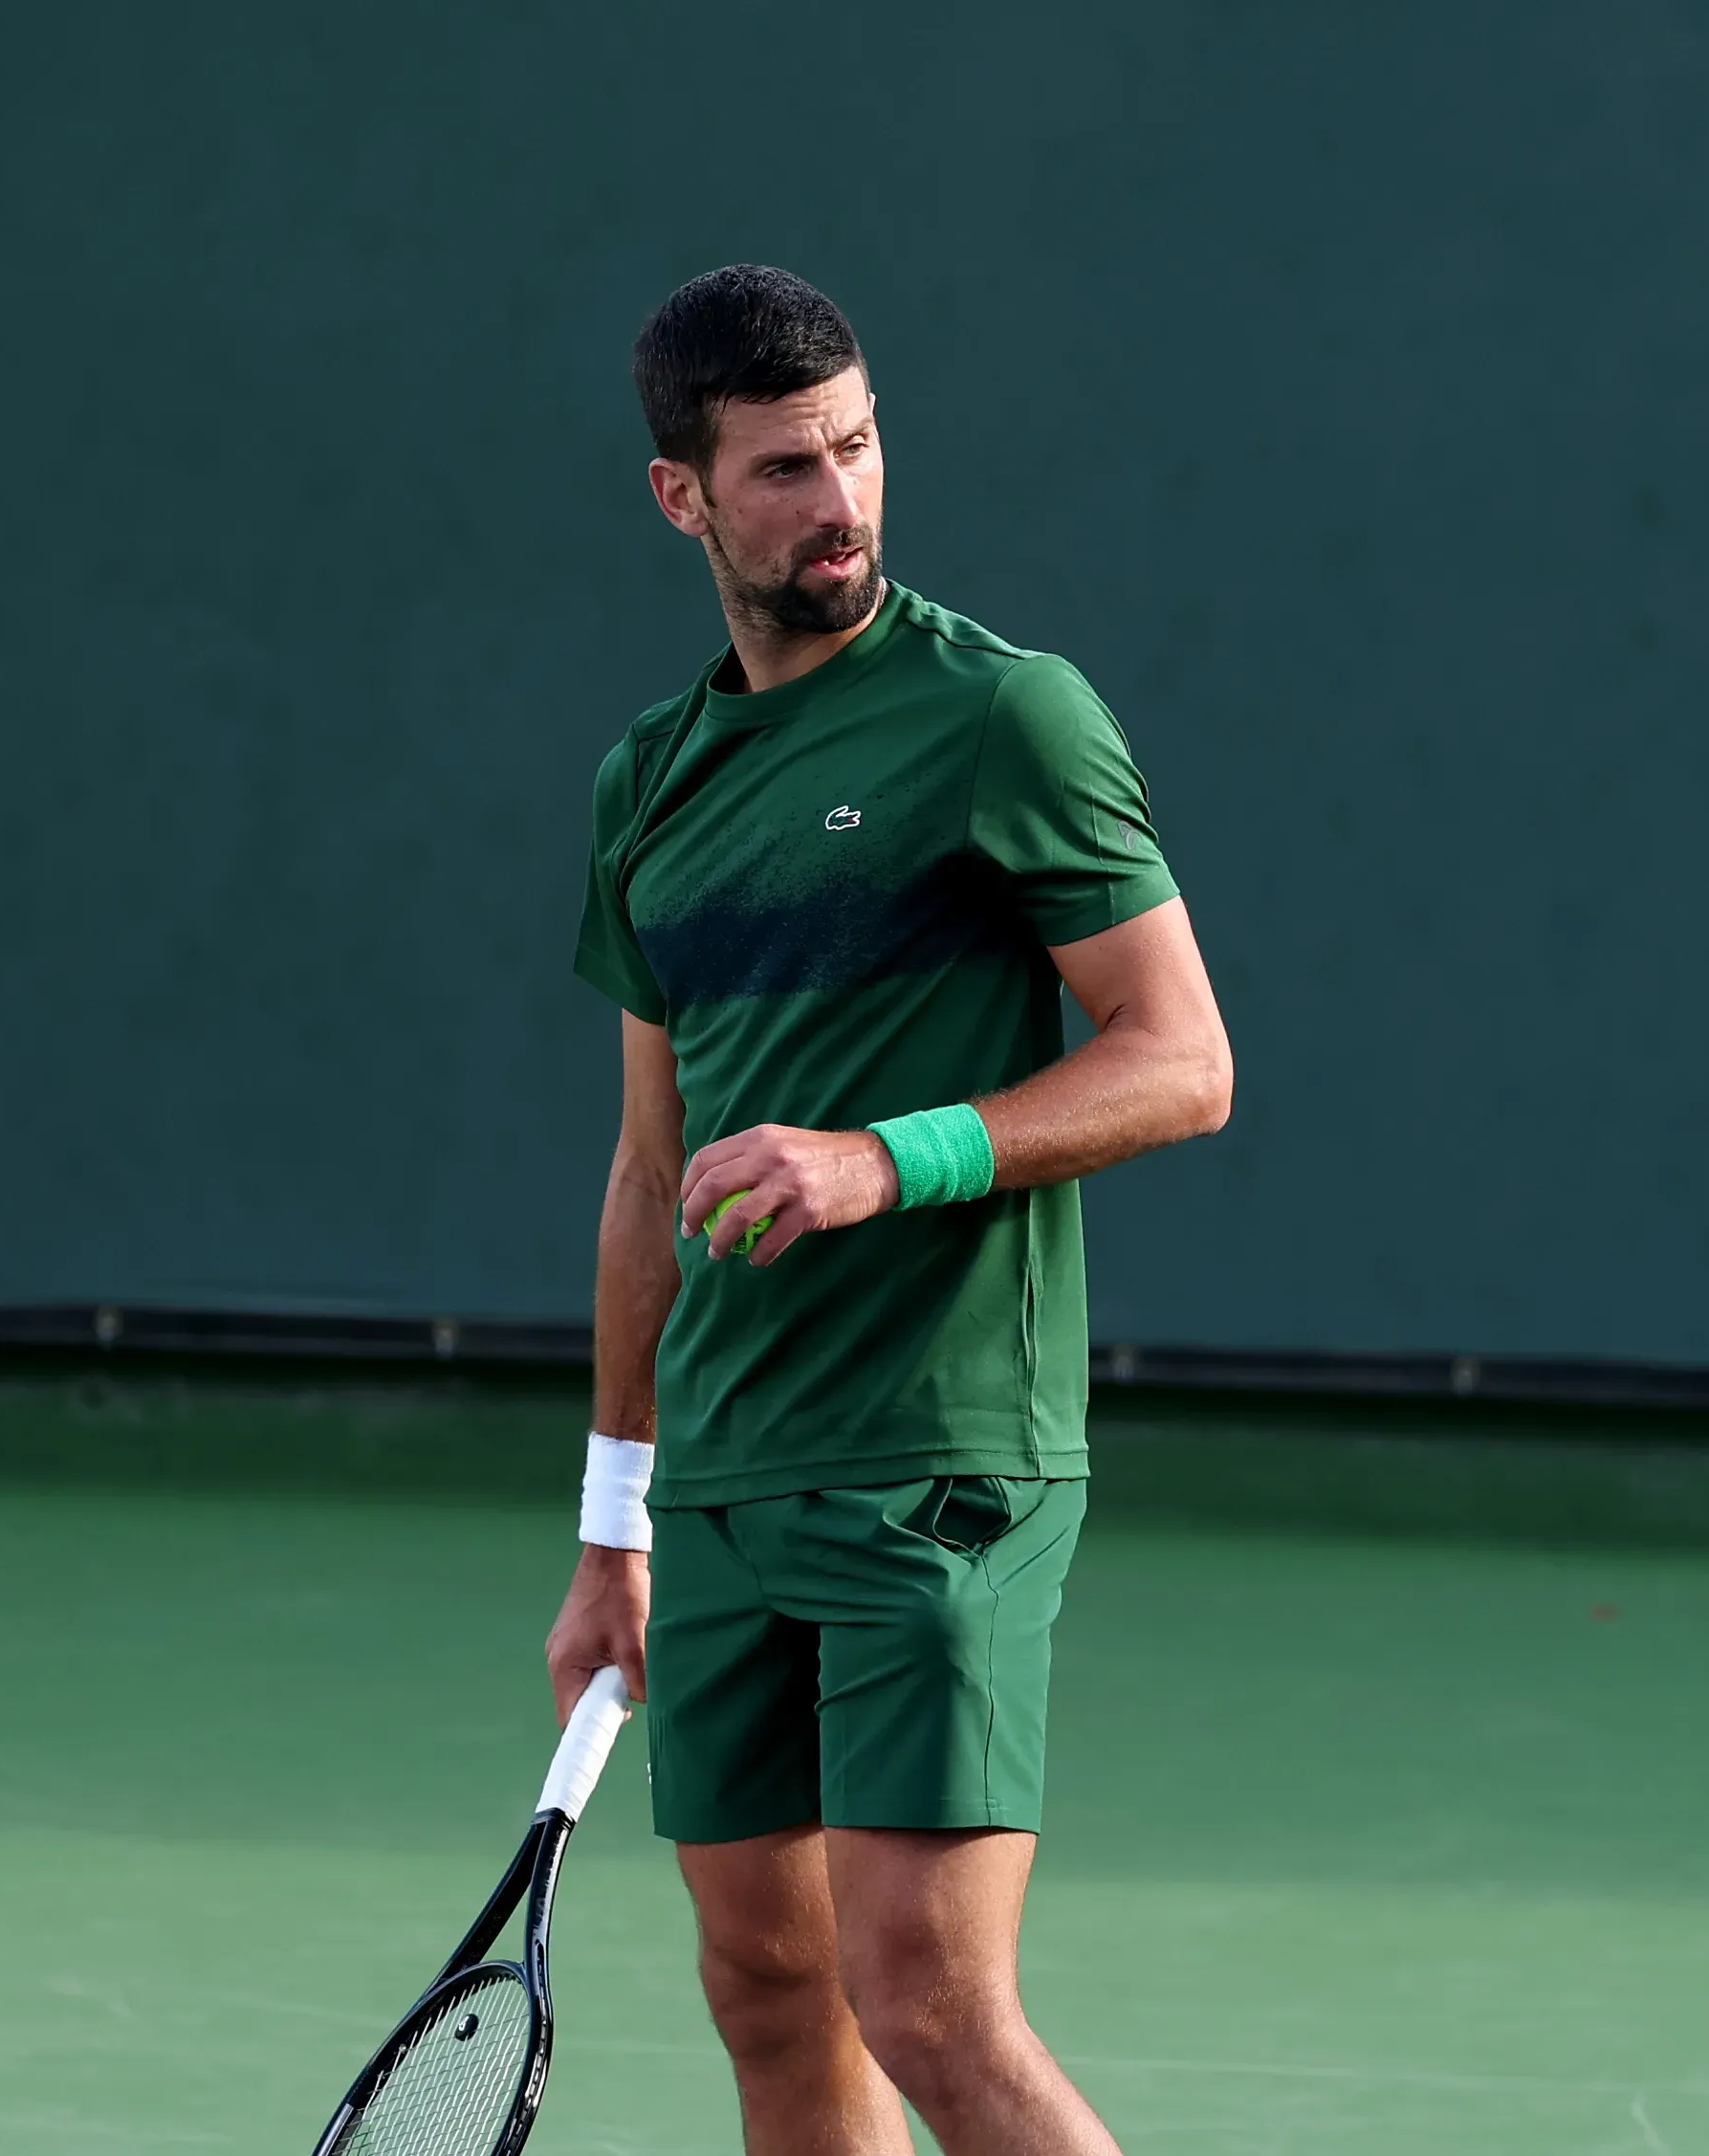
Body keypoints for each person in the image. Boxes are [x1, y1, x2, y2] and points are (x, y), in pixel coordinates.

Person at [542, 263, 1232, 2156]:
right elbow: (643, 1171)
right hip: (731, 1474)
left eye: (853, 448)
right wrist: (616, 1519)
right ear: (682, 495)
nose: (835, 499)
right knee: (770, 1995)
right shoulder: (649, 785)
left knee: (924, 1991)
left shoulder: (1006, 715)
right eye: (780, 468)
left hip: (942, 1454)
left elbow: (1182, 1057)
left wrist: (878, 1155)